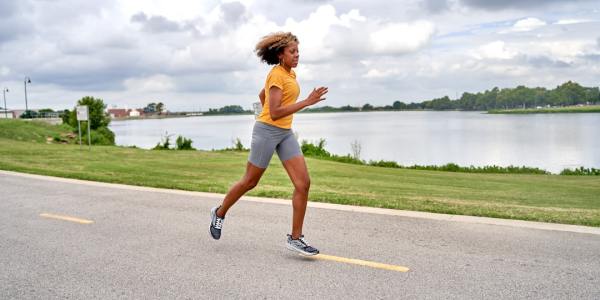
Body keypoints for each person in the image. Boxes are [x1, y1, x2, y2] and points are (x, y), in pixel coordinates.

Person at [209, 32, 328, 256]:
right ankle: (220, 212)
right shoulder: (277, 75)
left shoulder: (289, 74)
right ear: (280, 54)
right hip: (267, 131)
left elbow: (262, 95)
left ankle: (295, 238)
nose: (297, 55)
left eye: (298, 51)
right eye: (292, 51)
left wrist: (272, 114)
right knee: (250, 182)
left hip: (285, 133)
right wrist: (307, 102)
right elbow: (273, 112)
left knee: (303, 183)